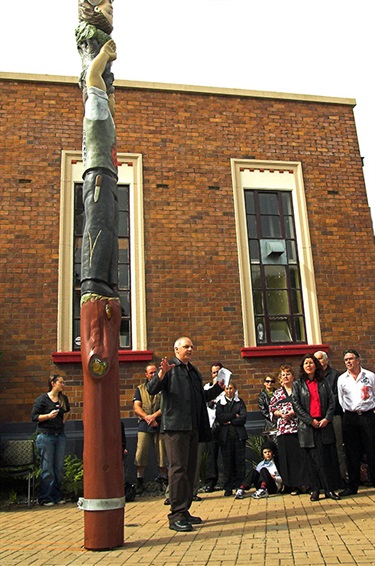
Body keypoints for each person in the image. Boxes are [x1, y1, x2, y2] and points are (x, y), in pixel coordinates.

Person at [147, 336, 224, 532]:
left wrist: (217, 389)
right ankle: (176, 515)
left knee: (190, 470)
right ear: (176, 350)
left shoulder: (193, 371)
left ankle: (185, 510)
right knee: (178, 469)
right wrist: (162, 374)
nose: (189, 349)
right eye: (185, 347)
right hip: (175, 428)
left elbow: (200, 397)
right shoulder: (170, 369)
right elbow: (152, 388)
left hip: (193, 427)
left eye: (191, 346)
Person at [292, 354, 341, 501]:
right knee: (311, 460)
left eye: (311, 363)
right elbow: (296, 405)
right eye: (306, 363)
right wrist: (309, 420)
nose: (309, 365)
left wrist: (327, 418)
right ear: (303, 366)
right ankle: (315, 490)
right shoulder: (298, 384)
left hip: (324, 424)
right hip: (308, 426)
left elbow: (332, 402)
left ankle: (329, 489)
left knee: (325, 459)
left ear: (316, 365)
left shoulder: (324, 382)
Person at [337, 349, 375, 496]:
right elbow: (341, 400)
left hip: (367, 416)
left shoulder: (370, 376)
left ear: (358, 360)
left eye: (351, 359)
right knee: (352, 453)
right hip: (350, 418)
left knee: (372, 450)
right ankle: (352, 486)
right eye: (346, 360)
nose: (348, 362)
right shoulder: (342, 379)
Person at [31, 374, 70, 506]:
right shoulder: (42, 400)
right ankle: (45, 497)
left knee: (58, 467)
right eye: (61, 382)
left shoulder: (63, 399)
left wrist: (62, 422)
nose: (63, 385)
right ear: (53, 383)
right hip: (46, 435)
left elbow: (67, 412)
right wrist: (48, 416)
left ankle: (57, 495)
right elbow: (34, 417)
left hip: (59, 435)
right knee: (47, 467)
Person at [269, 365, 309, 495]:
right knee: (288, 458)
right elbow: (272, 409)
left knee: (301, 457)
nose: (285, 377)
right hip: (283, 429)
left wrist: (294, 412)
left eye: (288, 374)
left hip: (299, 428)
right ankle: (293, 485)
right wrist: (280, 413)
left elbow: (305, 404)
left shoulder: (299, 390)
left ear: (293, 376)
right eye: (283, 375)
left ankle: (305, 484)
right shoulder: (277, 393)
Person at [133, 363, 167, 495]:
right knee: (141, 453)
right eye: (151, 373)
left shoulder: (163, 387)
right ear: (146, 375)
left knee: (162, 454)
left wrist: (154, 417)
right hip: (144, 424)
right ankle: (140, 481)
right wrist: (147, 418)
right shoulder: (140, 389)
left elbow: (165, 405)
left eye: (155, 372)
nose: (153, 375)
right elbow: (137, 407)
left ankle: (164, 480)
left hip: (159, 424)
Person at [314, 350, 347, 482]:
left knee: (338, 447)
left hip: (334, 416)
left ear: (326, 360)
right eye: (316, 359)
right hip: (318, 419)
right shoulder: (313, 377)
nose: (319, 362)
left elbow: (335, 397)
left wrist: (325, 413)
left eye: (321, 359)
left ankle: (342, 477)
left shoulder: (335, 375)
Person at [215, 381, 248, 497]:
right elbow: (220, 417)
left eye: (231, 388)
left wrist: (230, 421)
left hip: (239, 436)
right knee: (227, 463)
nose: (229, 391)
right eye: (227, 389)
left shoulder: (240, 402)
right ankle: (228, 487)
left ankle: (240, 486)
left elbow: (243, 418)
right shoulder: (220, 403)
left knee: (239, 462)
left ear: (235, 389)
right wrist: (234, 415)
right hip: (225, 437)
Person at [203, 362, 224, 493]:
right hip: (211, 427)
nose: (216, 374)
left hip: (225, 425)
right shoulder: (206, 388)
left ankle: (230, 480)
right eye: (214, 372)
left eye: (218, 372)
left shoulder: (228, 387)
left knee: (227, 454)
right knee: (211, 456)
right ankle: (211, 481)